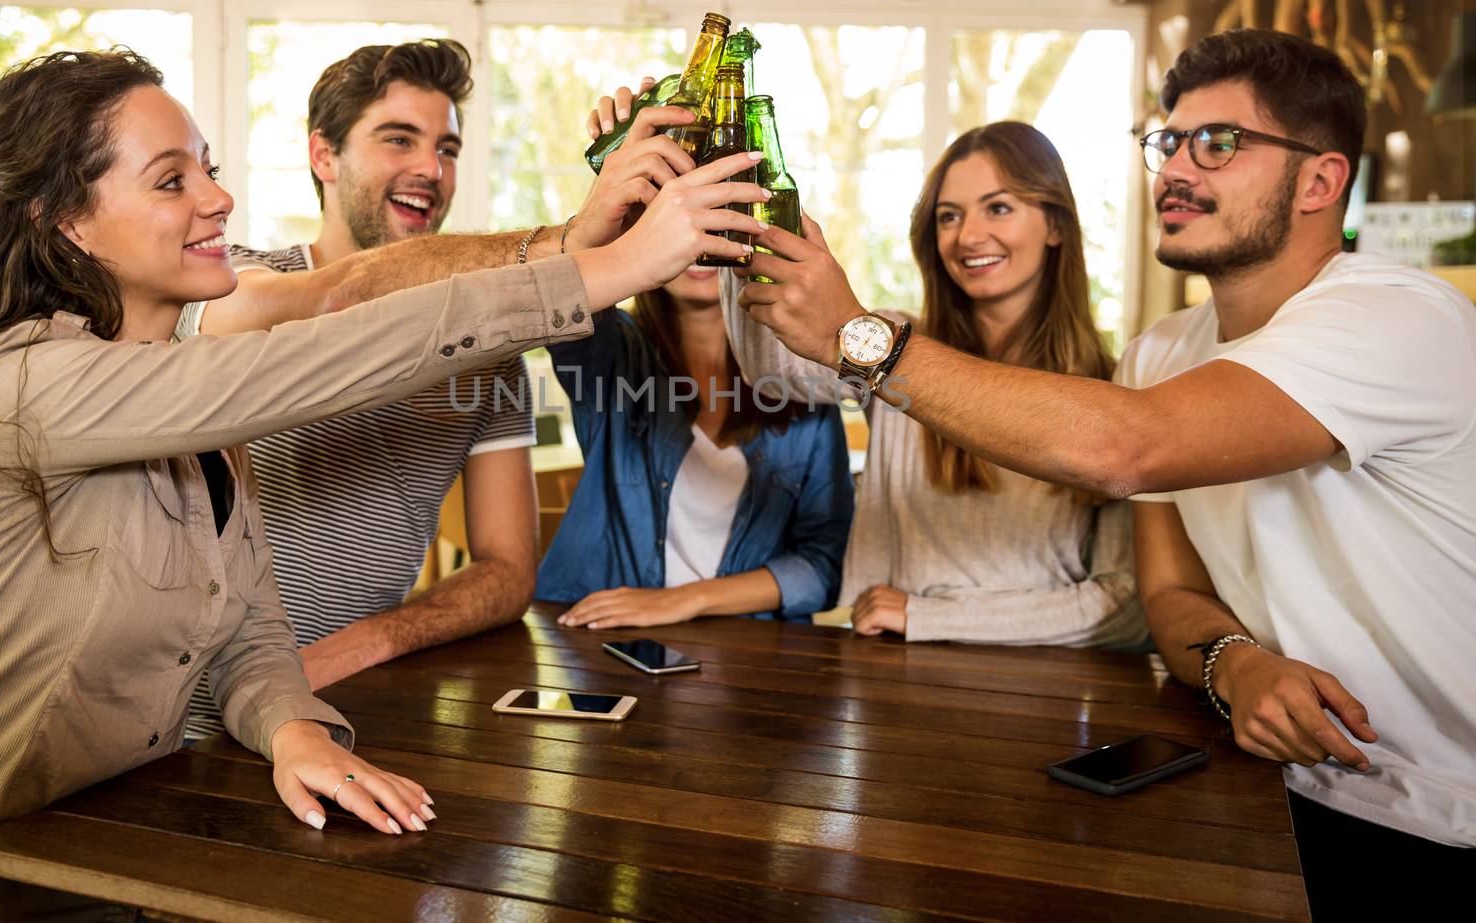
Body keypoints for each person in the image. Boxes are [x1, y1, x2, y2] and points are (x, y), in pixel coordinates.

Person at [0, 48, 765, 921]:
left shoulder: (189, 423)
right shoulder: (24, 383)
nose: (216, 197)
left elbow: (249, 630)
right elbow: (343, 329)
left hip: (110, 850)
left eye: (208, 171)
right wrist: (608, 261)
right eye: (169, 179)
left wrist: (294, 726)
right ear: (64, 219)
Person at [734, 29, 1474, 909]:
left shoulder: (1399, 317)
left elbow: (1127, 452)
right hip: (1260, 783)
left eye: (1220, 143)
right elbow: (1169, 599)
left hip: (1435, 811)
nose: (1176, 170)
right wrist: (1235, 662)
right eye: (1169, 142)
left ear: (1321, 181)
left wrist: (859, 337)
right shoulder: (1161, 352)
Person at [178, 40, 689, 736]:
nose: (431, 168)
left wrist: (369, 642)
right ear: (323, 156)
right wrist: (572, 240)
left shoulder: (490, 355)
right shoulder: (238, 279)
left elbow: (508, 571)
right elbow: (339, 297)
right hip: (183, 719)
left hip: (342, 705)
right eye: (399, 139)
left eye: (446, 148)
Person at [716, 119, 1144, 648]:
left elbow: (1122, 605)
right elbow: (776, 374)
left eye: (999, 207)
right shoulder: (889, 344)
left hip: (1042, 688)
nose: (968, 236)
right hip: (894, 675)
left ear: (1055, 225)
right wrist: (738, 233)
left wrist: (930, 616)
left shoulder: (1110, 387)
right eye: (949, 216)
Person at [537, 260, 853, 628]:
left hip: (753, 648)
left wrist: (686, 599)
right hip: (605, 639)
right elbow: (566, 292)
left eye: (719, 229)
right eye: (693, 227)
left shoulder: (803, 380)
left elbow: (824, 567)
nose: (703, 251)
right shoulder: (612, 352)